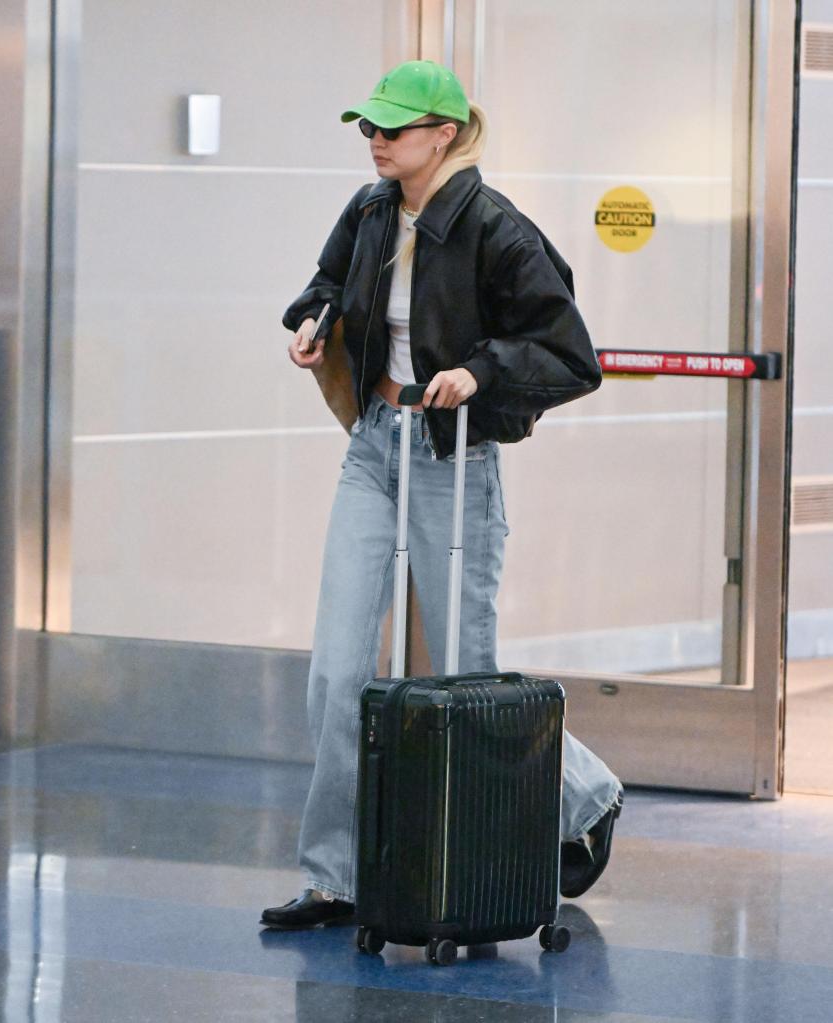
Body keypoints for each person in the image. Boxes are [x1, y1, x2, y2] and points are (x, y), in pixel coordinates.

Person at [261, 60, 623, 931]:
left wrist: (478, 369)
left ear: (445, 134)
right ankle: (334, 875)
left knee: (465, 675)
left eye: (392, 128)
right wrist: (312, 322)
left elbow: (572, 356)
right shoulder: (370, 210)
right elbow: (324, 283)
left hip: (451, 458)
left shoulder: (498, 230)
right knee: (335, 674)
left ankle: (584, 797)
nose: (377, 142)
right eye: (369, 129)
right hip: (372, 449)